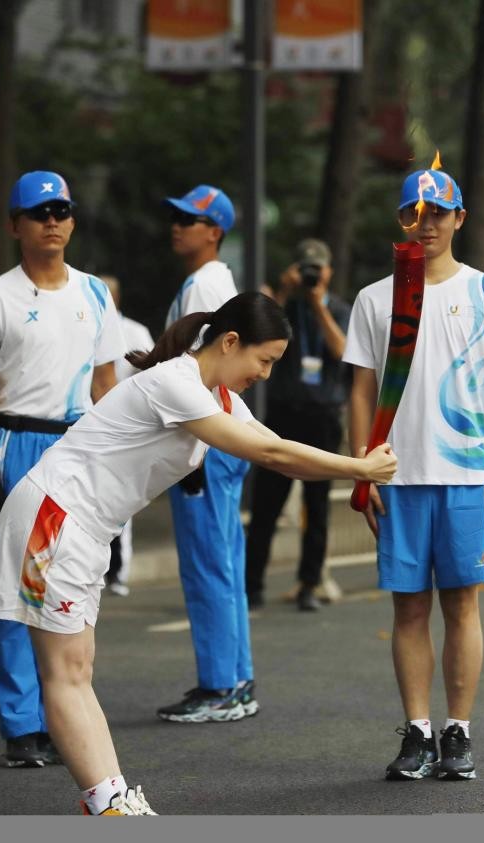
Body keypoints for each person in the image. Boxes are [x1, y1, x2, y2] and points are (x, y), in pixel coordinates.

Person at [0, 292, 397, 815]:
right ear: (230, 342)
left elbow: (281, 457)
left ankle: (109, 800)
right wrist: (359, 469)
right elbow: (269, 452)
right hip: (55, 518)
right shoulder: (176, 383)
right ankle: (108, 805)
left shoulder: (220, 396)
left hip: (83, 526)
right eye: (265, 360)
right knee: (65, 674)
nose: (267, 374)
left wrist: (356, 463)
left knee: (76, 671)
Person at [345, 165, 484, 782]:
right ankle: (418, 732)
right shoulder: (375, 298)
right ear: (402, 221)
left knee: (463, 606)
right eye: (415, 215)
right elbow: (362, 392)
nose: (427, 225)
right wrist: (361, 471)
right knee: (409, 610)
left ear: (459, 219)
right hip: (397, 474)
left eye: (439, 214)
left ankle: (459, 731)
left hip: (467, 473)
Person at [0, 171, 124, 767]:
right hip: (18, 445)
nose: (52, 220)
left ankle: (60, 712)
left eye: (61, 210)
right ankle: (20, 723)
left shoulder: (96, 293)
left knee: (63, 585)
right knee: (15, 590)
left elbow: (107, 384)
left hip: (77, 449)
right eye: (38, 212)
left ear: (73, 220)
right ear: (15, 225)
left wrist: (114, 461)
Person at [156, 184, 261, 723]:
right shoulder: (215, 281)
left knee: (207, 565)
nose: (178, 226)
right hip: (222, 434)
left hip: (207, 438)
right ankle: (237, 681)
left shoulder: (205, 282)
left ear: (214, 231)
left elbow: (194, 371)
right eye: (176, 217)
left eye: (189, 220)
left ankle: (220, 686)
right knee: (224, 561)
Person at [245, 238, 351, 613]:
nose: (311, 275)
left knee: (317, 507)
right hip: (284, 415)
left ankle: (309, 582)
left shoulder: (337, 308)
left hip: (322, 417)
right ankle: (251, 585)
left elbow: (342, 350)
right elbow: (259, 336)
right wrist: (287, 294)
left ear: (328, 272)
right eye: (305, 268)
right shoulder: (283, 307)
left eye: (317, 269)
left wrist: (318, 304)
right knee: (266, 505)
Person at [98, 274, 154, 598]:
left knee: (120, 503)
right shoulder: (82, 326)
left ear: (116, 298)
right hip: (89, 424)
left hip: (126, 428)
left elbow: (152, 374)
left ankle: (117, 571)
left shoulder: (134, 332)